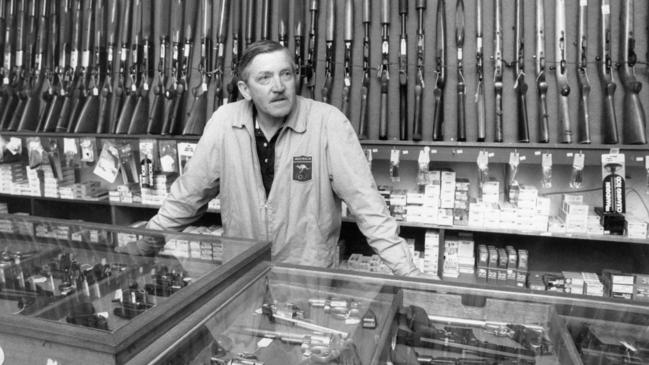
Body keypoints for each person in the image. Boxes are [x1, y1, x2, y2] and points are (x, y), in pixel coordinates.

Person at [124, 40, 419, 276]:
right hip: (242, 276)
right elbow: (186, 197)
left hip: (306, 281)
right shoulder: (224, 122)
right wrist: (146, 245)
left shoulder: (328, 123)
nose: (278, 86)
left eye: (286, 74)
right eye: (264, 78)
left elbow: (369, 208)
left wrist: (410, 275)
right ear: (244, 89)